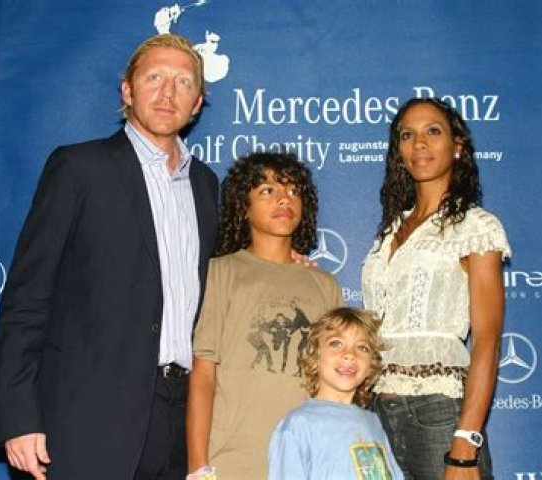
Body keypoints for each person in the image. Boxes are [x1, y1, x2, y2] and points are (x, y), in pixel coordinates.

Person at [0, 33, 219, 479]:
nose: (168, 93)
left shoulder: (206, 186)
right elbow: (27, 298)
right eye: (154, 78)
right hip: (89, 416)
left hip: (180, 419)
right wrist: (19, 417)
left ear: (197, 103)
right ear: (127, 91)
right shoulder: (79, 168)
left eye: (183, 82)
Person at [361, 97, 511, 479]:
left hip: (439, 413)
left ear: (457, 146)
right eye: (407, 135)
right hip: (375, 416)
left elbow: (488, 340)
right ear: (398, 152)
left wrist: (466, 440)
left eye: (433, 131)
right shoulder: (391, 231)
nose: (420, 143)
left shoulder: (476, 227)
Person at [186, 152, 342, 479]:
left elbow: (336, 385)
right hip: (231, 460)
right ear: (243, 207)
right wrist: (198, 466)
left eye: (293, 190)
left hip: (306, 459)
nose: (284, 198)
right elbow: (203, 375)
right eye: (268, 190)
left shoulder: (324, 284)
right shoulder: (220, 272)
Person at [268, 307, 403, 480]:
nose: (349, 355)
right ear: (315, 357)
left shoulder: (373, 422)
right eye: (336, 343)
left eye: (362, 347)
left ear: (370, 366)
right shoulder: (298, 424)